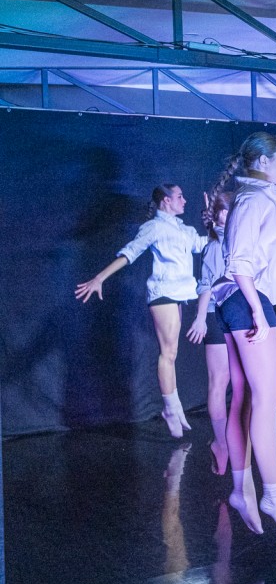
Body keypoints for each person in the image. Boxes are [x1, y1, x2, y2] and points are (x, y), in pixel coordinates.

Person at [209, 132, 276, 542]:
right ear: (262, 161)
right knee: (266, 401)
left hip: (243, 301)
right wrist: (256, 310)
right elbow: (238, 262)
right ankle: (274, 495)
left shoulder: (268, 198)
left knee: (246, 398)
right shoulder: (252, 200)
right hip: (246, 299)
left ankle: (241, 490)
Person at [75, 184, 207, 438]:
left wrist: (219, 225)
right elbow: (131, 252)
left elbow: (202, 245)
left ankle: (175, 406)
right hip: (163, 293)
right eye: (180, 196)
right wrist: (100, 277)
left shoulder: (183, 229)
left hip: (178, 294)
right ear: (166, 200)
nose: (185, 200)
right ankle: (170, 409)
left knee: (172, 353)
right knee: (168, 353)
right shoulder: (154, 227)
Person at [186, 190, 232, 473]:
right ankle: (221, 443)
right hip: (217, 315)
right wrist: (201, 318)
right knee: (219, 380)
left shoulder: (234, 238)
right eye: (227, 210)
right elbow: (206, 284)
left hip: (237, 315)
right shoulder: (215, 246)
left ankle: (229, 440)